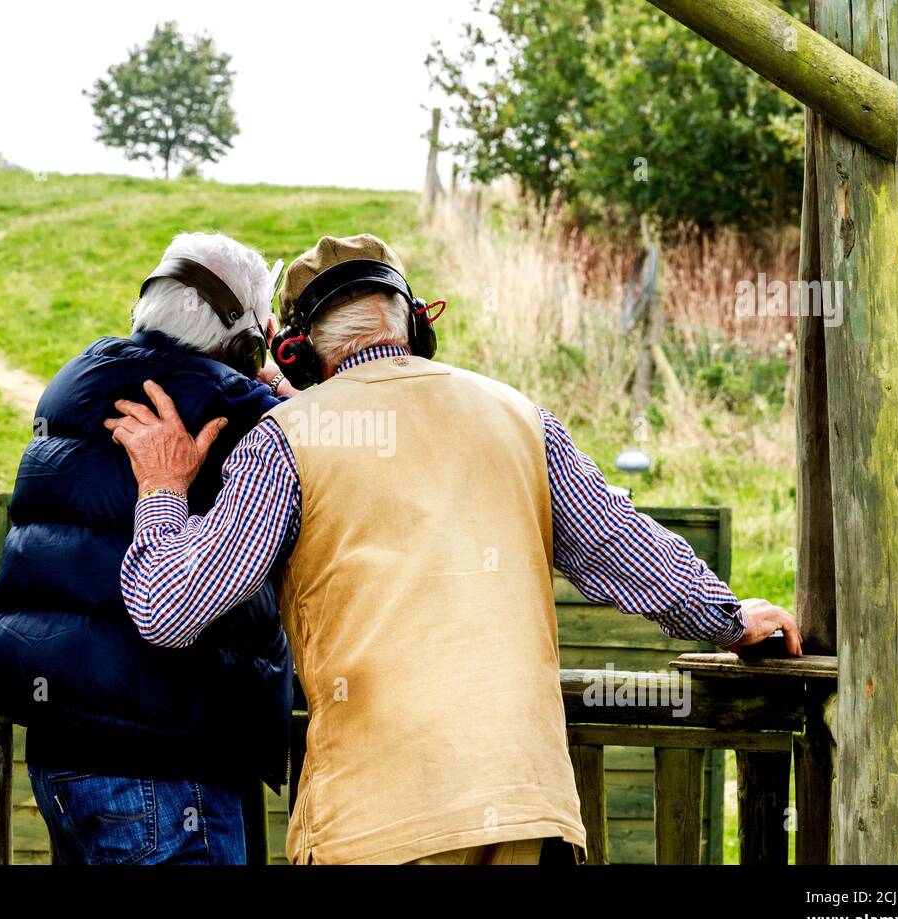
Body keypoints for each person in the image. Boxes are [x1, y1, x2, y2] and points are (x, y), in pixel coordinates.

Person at [108, 233, 802, 865]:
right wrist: (731, 616)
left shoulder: (285, 439)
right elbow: (623, 547)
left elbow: (170, 607)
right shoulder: (520, 417)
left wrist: (164, 488)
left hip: (375, 826)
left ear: (293, 350)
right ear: (415, 322)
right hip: (530, 810)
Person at [0, 232, 292, 864]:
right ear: (246, 342)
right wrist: (285, 393)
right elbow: (342, 452)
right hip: (164, 769)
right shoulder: (238, 409)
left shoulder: (78, 380)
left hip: (63, 755)